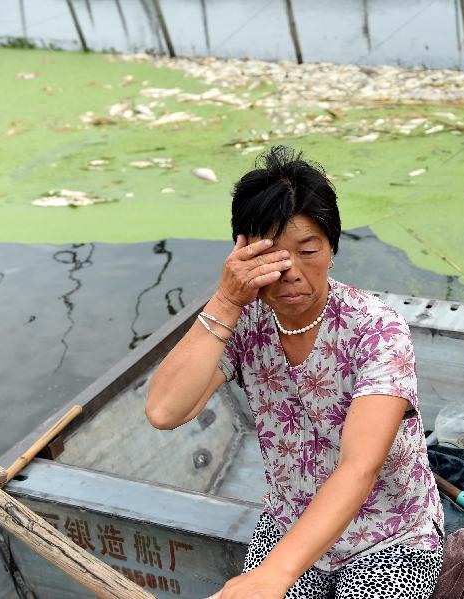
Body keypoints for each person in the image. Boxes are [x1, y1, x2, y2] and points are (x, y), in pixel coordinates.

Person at [145, 146, 444, 599]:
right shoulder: (244, 320)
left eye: (308, 251)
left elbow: (358, 467)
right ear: (243, 254)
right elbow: (165, 410)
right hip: (291, 517)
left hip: (388, 528)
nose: (290, 273)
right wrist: (225, 302)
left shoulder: (377, 329)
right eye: (272, 257)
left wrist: (272, 576)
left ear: (332, 248)